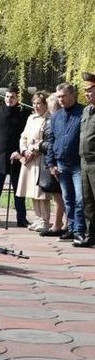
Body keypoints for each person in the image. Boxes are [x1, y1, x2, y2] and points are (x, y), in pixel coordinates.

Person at [0, 85, 30, 228]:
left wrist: (21, 153)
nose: (9, 99)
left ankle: (21, 218)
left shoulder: (24, 113)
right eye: (7, 96)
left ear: (18, 99)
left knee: (19, 190)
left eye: (13, 97)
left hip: (17, 156)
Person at [45, 82, 85, 242]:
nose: (60, 99)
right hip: (61, 163)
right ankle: (72, 228)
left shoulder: (83, 113)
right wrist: (51, 164)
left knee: (80, 199)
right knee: (68, 199)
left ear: (72, 95)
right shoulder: (56, 116)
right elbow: (52, 140)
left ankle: (80, 230)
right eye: (58, 96)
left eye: (63, 96)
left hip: (78, 164)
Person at [15, 91, 51, 232]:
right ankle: (37, 218)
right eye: (34, 103)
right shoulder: (31, 118)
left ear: (45, 104)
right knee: (31, 190)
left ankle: (45, 220)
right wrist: (24, 150)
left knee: (41, 192)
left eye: (38, 103)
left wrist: (35, 151)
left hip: (39, 158)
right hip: (28, 158)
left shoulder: (49, 118)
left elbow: (47, 139)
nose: (35, 106)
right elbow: (23, 137)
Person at [39, 93, 67, 237]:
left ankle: (57, 225)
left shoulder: (53, 120)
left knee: (58, 197)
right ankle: (66, 224)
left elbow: (50, 143)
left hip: (54, 162)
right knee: (63, 196)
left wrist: (40, 145)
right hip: (56, 160)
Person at [77, 73, 95, 247]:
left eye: (90, 90)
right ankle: (91, 235)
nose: (87, 94)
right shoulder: (86, 110)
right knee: (87, 201)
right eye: (86, 91)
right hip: (84, 162)